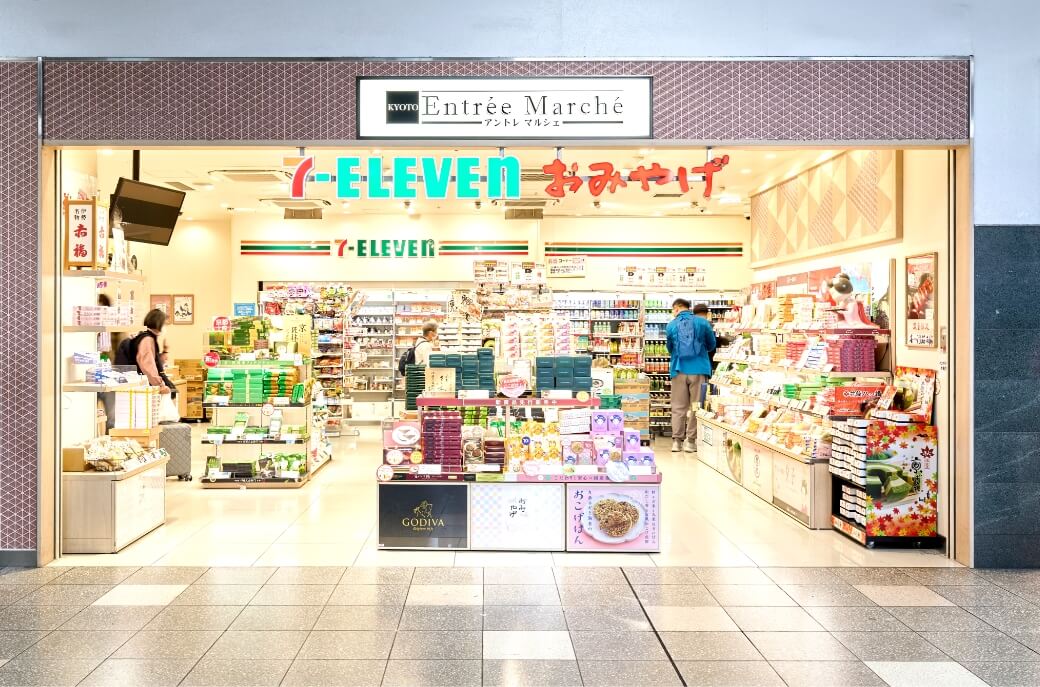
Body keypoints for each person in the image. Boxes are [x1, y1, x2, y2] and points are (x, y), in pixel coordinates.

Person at [666, 300, 716, 453]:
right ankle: (691, 442)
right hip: (699, 370)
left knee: (678, 407)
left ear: (676, 308)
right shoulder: (703, 323)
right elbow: (712, 345)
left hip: (679, 370)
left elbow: (670, 348)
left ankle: (676, 442)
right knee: (696, 406)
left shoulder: (671, 325)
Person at [117, 308, 175, 395]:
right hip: (142, 387)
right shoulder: (147, 339)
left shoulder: (147, 337)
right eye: (164, 324)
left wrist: (165, 351)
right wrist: (160, 385)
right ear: (158, 323)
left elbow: (155, 362)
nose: (164, 327)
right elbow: (148, 366)